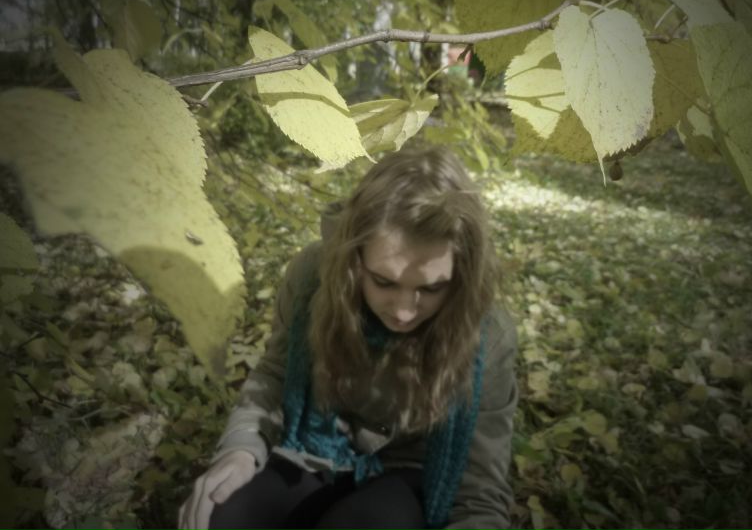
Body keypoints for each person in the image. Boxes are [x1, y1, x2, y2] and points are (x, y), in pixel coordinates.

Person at [178, 145, 518, 530]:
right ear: (355, 258)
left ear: (461, 274)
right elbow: (274, 375)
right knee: (222, 514)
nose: (404, 311)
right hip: (313, 445)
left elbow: (480, 483)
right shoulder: (314, 277)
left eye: (431, 288)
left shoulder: (487, 334)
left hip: (410, 474)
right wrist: (240, 449)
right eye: (384, 281)